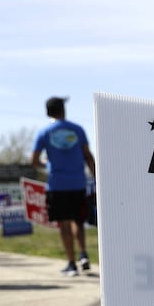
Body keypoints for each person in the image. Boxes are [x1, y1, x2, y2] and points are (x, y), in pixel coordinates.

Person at [31, 96, 96, 276]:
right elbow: (88, 157)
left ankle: (71, 263)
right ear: (63, 110)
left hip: (57, 184)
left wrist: (47, 164)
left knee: (64, 224)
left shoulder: (44, 133)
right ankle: (83, 254)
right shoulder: (77, 129)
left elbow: (34, 161)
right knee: (78, 221)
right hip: (78, 182)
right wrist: (96, 177)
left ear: (47, 112)